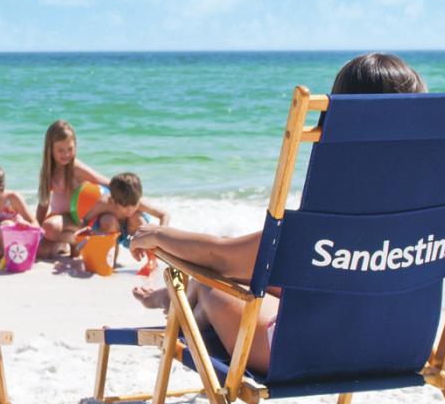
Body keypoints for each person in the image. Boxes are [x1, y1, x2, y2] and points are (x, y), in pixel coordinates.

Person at [129, 52, 427, 375]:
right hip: (395, 347)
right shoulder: (430, 208)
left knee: (210, 283)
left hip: (306, 353)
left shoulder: (334, 210)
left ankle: (182, 312)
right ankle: (177, 306)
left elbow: (218, 258)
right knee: (273, 269)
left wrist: (158, 235)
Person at [34, 119, 109, 259]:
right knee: (41, 252)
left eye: (70, 149)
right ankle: (69, 243)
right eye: (60, 150)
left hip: (78, 220)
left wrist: (127, 195)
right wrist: (35, 229)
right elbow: (43, 203)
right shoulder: (48, 170)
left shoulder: (75, 168)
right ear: (50, 149)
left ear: (75, 146)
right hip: (60, 218)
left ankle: (78, 241)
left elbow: (104, 182)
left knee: (49, 227)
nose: (66, 154)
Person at [76, 171, 168, 269]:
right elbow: (86, 220)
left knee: (138, 219)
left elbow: (164, 215)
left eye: (134, 205)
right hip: (111, 232)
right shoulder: (105, 203)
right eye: (124, 206)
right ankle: (112, 263)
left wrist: (160, 237)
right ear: (114, 200)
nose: (130, 209)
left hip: (131, 236)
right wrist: (82, 235)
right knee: (108, 220)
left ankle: (152, 260)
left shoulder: (137, 201)